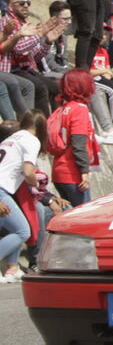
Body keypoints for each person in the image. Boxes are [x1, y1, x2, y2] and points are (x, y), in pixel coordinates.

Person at [0, 109, 46, 282]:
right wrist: (36, 184)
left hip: (4, 189)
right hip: (2, 189)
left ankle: (12, 269)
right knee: (22, 231)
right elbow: (28, 172)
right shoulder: (32, 140)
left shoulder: (12, 138)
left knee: (15, 228)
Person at [51, 69, 99, 207]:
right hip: (72, 173)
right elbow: (79, 143)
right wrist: (84, 172)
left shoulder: (61, 109)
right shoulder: (79, 109)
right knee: (83, 215)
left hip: (58, 171)